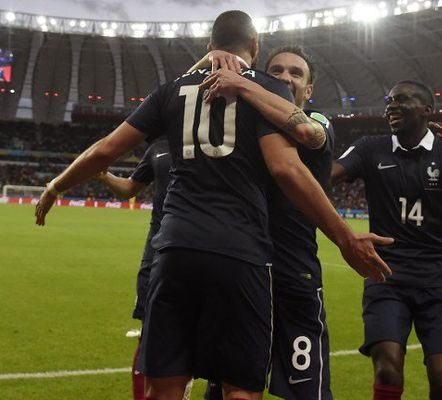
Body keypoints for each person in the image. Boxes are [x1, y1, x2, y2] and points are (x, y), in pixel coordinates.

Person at [35, 10, 392, 400]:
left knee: (165, 389)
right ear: (255, 47)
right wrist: (344, 237)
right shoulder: (266, 91)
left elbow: (105, 150)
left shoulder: (170, 90)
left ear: (209, 48)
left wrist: (55, 186)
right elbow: (286, 169)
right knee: (239, 390)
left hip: (174, 248)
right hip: (239, 252)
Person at [331, 80, 442, 400]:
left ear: (427, 110)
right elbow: (323, 177)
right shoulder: (369, 148)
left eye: (401, 100)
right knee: (387, 367)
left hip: (438, 280)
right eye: (389, 101)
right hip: (386, 276)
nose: (391, 106)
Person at [195, 46, 336, 400]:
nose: (286, 78)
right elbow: (181, 94)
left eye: (296, 73)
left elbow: (307, 133)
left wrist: (242, 85)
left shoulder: (319, 121)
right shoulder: (240, 127)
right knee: (226, 390)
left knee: (308, 393)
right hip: (241, 271)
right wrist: (213, 56)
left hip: (294, 277)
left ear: (309, 90)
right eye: (276, 71)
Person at [94, 138, 188, 400]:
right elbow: (130, 189)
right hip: (156, 253)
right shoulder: (157, 148)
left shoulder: (210, 135)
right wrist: (103, 175)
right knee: (148, 336)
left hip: (198, 247)